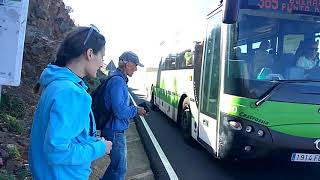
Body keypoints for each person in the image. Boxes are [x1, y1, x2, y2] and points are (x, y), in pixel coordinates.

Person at [29, 25, 112, 180]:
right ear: (89, 53)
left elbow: (63, 136)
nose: (102, 63)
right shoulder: (71, 93)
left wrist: (89, 141)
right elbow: (57, 151)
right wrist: (100, 147)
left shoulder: (56, 83)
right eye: (102, 57)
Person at [101, 51, 147, 180]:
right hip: (114, 130)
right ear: (126, 63)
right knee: (120, 168)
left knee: (117, 166)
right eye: (135, 65)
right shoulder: (118, 81)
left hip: (113, 129)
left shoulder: (117, 79)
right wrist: (136, 110)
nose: (136, 69)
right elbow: (120, 111)